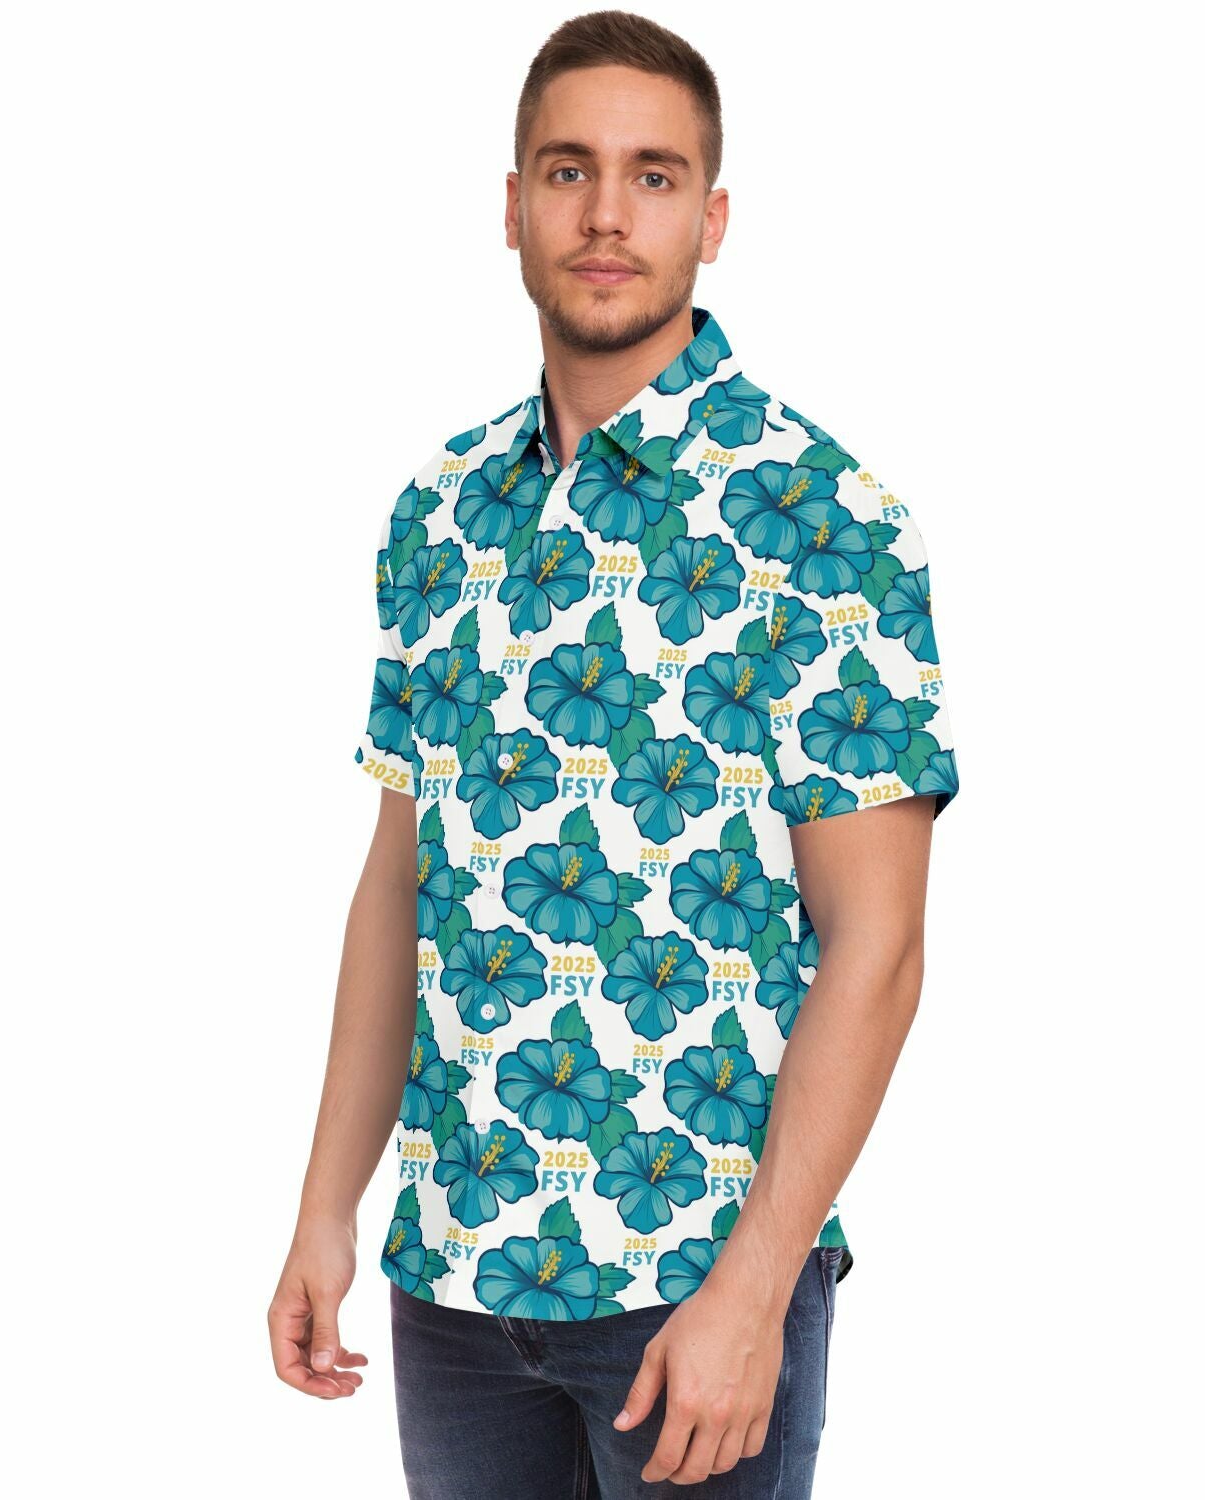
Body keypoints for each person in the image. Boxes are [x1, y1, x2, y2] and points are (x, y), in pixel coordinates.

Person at [269, 11, 960, 1495]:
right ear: (512, 205)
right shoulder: (441, 509)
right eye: (568, 169)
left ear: (712, 219)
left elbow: (881, 945)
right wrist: (329, 1205)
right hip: (453, 1282)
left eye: (654, 176)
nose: (605, 214)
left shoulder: (822, 516)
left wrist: (754, 1291)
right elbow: (399, 887)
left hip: (694, 1283)